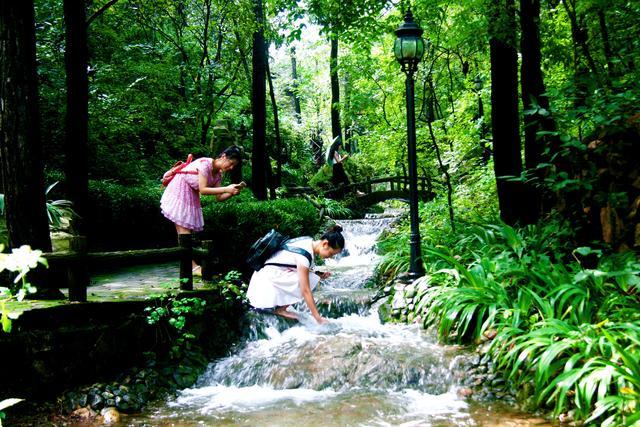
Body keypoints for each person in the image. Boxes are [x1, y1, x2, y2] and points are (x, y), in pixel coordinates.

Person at [160, 145, 245, 274]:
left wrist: (232, 192)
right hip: (179, 190)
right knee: (184, 231)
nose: (231, 167)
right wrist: (227, 188)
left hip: (190, 195)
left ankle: (189, 264)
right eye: (231, 163)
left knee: (184, 232)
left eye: (234, 166)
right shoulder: (205, 164)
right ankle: (192, 267)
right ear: (223, 156)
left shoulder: (218, 174)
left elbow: (219, 197)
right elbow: (204, 190)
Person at [246, 225, 345, 324]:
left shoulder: (307, 241)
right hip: (264, 282)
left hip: (266, 275)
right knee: (310, 280)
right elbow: (305, 290)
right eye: (331, 254)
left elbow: (290, 265)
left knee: (312, 277)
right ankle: (281, 309)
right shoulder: (304, 256)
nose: (331, 257)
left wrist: (318, 274)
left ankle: (281, 308)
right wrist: (318, 318)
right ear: (325, 244)